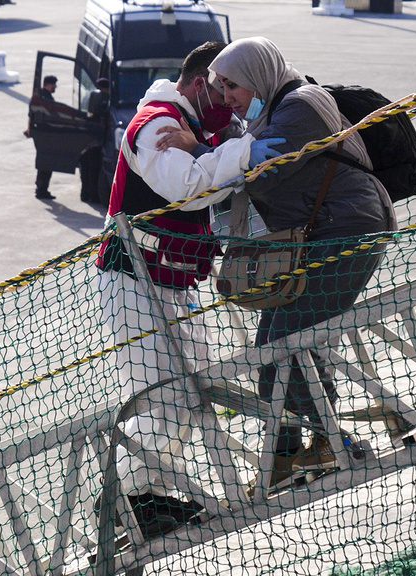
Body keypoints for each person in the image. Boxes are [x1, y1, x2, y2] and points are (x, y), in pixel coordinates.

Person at [95, 41, 284, 538]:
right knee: (163, 394)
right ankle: (125, 501)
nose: (231, 107)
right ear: (201, 83)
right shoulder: (154, 126)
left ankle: (147, 494)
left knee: (191, 390)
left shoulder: (196, 129)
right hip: (134, 280)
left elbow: (214, 176)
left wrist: (214, 148)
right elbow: (189, 187)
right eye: (223, 92)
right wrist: (237, 152)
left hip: (173, 281)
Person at [207, 37, 397, 487]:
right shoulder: (279, 109)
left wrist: (201, 158)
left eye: (232, 85)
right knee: (278, 348)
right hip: (327, 232)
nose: (227, 98)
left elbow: (259, 171)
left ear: (258, 75)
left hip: (348, 229)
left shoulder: (300, 107)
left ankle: (328, 443)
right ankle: (292, 451)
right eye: (220, 88)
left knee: (286, 345)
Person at [29, 75, 58, 200]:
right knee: (46, 161)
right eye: (54, 84)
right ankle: (41, 189)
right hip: (44, 134)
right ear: (48, 84)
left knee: (44, 161)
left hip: (40, 132)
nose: (55, 87)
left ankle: (41, 187)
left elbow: (30, 115)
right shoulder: (44, 98)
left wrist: (30, 129)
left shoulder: (39, 96)